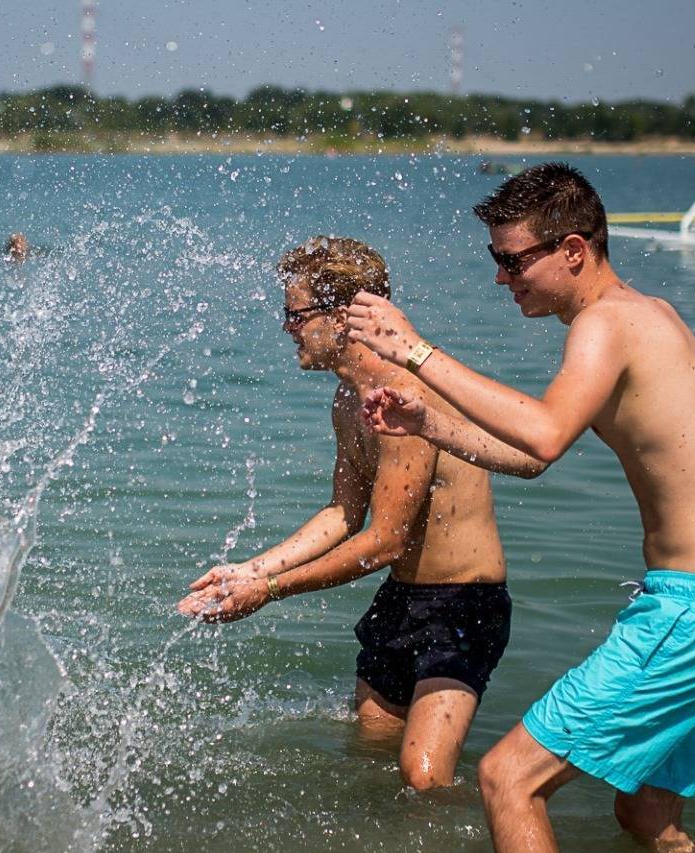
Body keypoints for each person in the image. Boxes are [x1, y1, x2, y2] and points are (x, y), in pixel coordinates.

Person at [343, 163, 695, 853]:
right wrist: (430, 423)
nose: (501, 279)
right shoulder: (646, 316)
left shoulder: (608, 323)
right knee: (646, 816)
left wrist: (414, 352)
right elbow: (529, 457)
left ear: (573, 250)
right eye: (495, 262)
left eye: (513, 261)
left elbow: (543, 435)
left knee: (508, 779)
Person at [177, 237, 511, 790]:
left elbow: (384, 541)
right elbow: (341, 514)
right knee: (372, 755)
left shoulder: (403, 395)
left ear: (340, 317)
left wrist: (272, 592)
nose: (286, 327)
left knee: (424, 777)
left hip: (462, 604)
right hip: (402, 600)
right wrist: (250, 571)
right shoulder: (348, 400)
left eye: (295, 314)